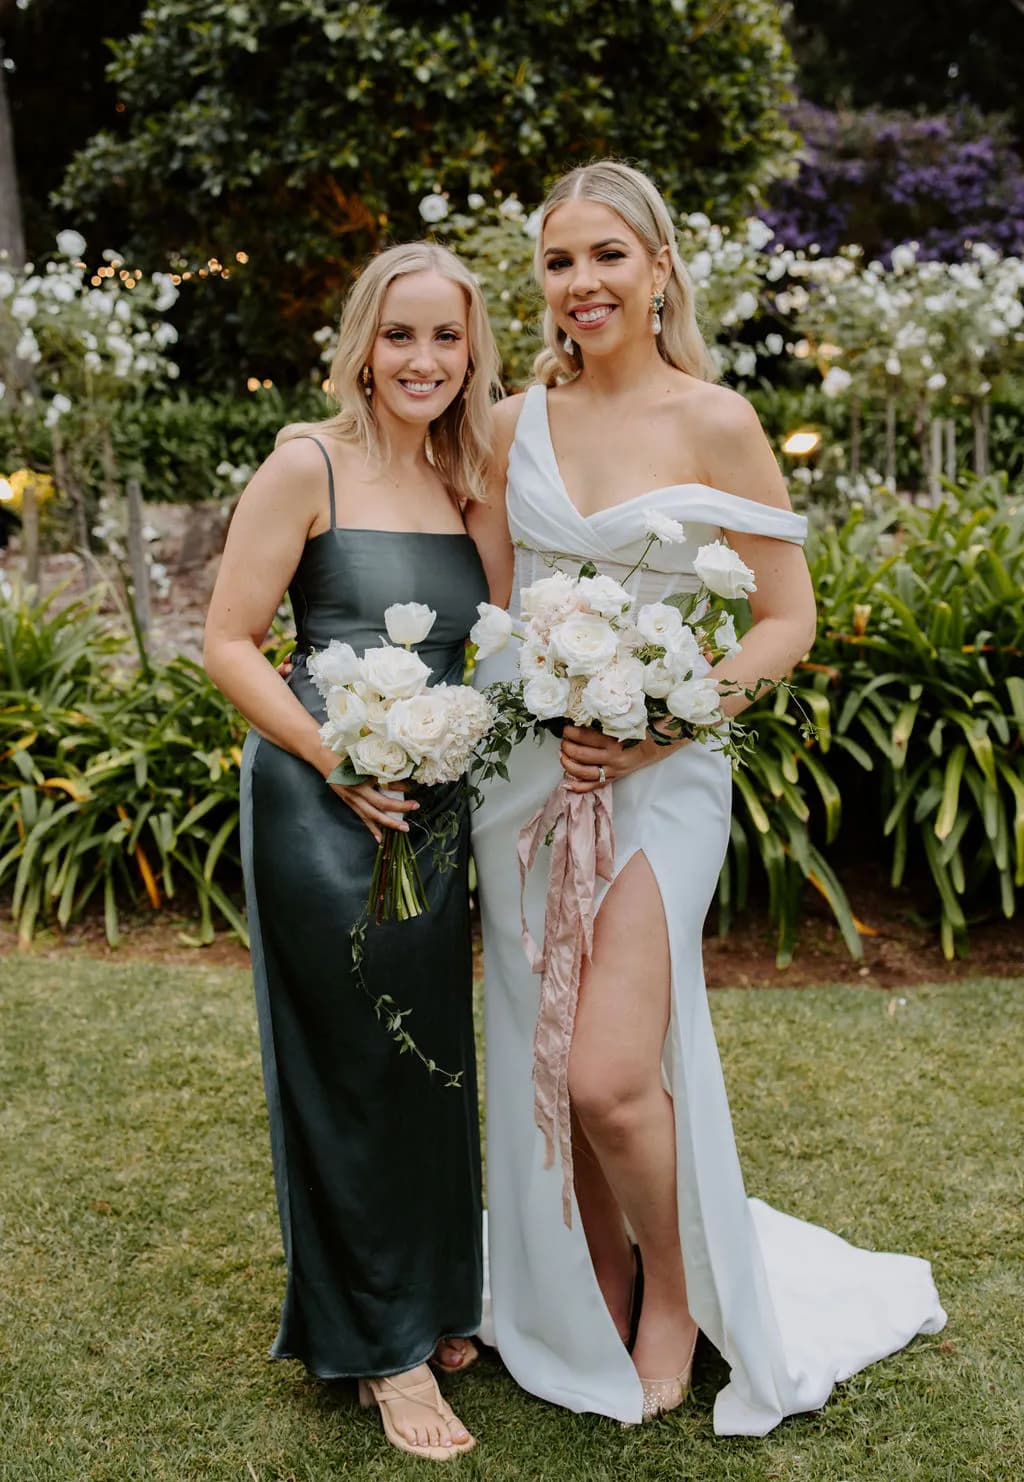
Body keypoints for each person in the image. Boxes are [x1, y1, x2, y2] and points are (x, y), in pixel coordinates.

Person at [467, 161, 946, 1435]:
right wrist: (525, 707)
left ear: (660, 266)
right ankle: (594, 1285)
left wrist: (658, 720)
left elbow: (782, 619)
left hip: (666, 772)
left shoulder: (717, 420)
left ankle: (675, 1299)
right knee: (546, 1055)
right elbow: (494, 615)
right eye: (560, 263)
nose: (583, 285)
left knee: (612, 1077)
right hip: (529, 778)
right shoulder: (513, 424)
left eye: (607, 256)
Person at [203, 240, 502, 1462]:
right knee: (344, 1067)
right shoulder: (304, 463)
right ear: (362, 346)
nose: (422, 359)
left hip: (434, 802)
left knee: (429, 1057)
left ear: (472, 349)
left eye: (446, 337)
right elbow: (227, 641)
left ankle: (431, 1298)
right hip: (320, 802)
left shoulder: (467, 477)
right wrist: (340, 759)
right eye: (400, 335)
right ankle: (377, 1348)